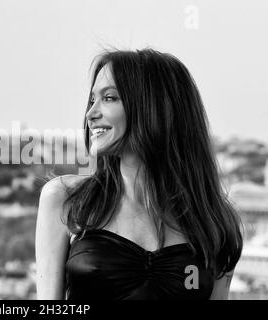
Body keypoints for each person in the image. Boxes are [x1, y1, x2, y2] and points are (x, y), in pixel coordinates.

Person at [35, 48, 243, 300]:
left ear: (153, 108)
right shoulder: (65, 199)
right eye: (92, 100)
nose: (91, 114)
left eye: (109, 98)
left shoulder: (215, 221)